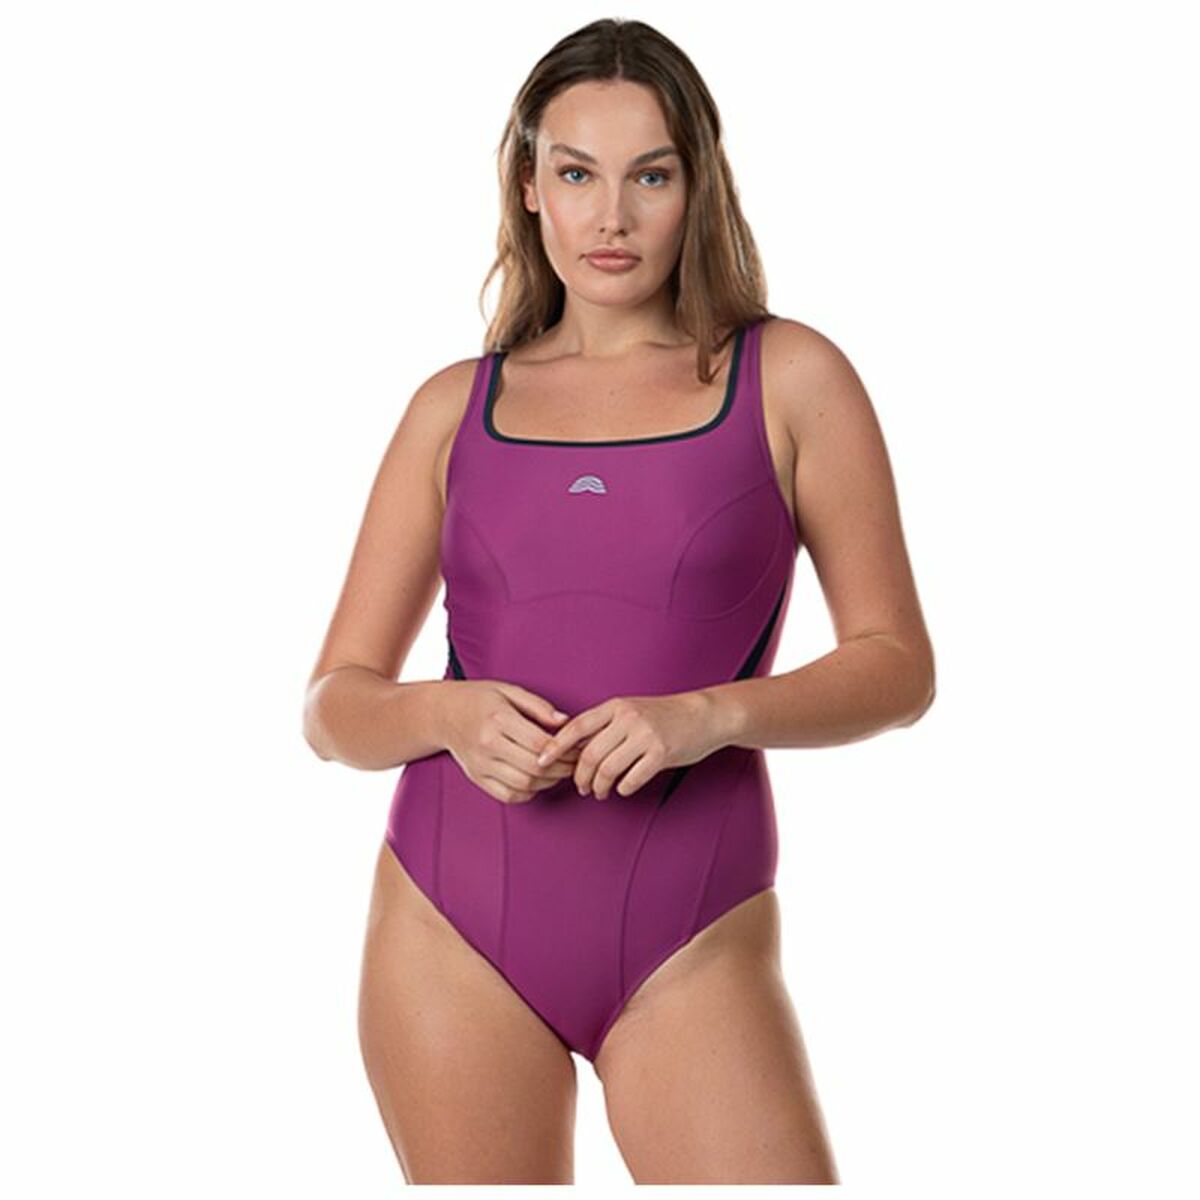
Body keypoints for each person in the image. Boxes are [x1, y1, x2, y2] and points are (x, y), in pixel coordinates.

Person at [303, 17, 934, 1186]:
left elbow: (897, 666)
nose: (612, 218)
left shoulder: (789, 378)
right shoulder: (453, 409)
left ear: (698, 186)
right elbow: (333, 707)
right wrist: (445, 716)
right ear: (528, 188)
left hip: (693, 929)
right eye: (577, 174)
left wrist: (709, 714)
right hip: (450, 920)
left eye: (650, 176)